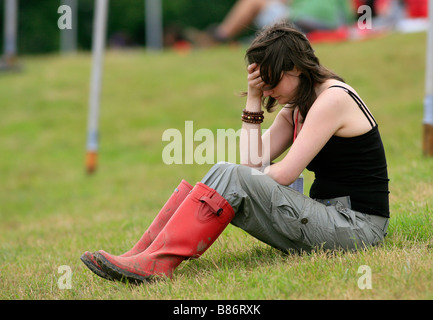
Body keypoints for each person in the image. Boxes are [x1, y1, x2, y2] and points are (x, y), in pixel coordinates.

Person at [81, 21, 390, 283]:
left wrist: (242, 180)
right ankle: (144, 254)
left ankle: (157, 262)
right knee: (225, 170)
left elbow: (283, 174)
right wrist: (253, 100)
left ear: (295, 67)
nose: (269, 92)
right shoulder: (299, 107)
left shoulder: (332, 99)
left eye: (271, 83)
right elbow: (251, 162)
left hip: (358, 228)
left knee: (230, 175)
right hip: (333, 219)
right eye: (263, 85)